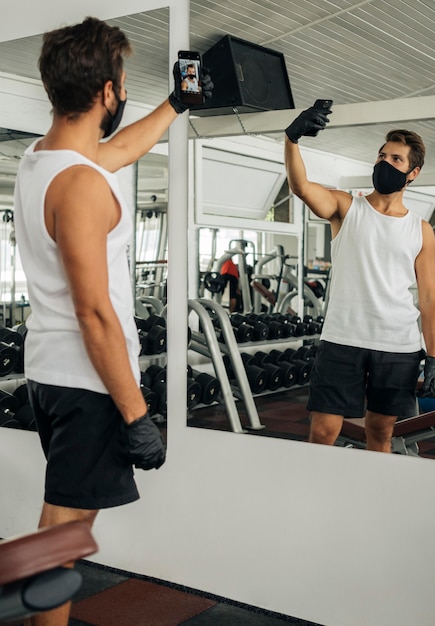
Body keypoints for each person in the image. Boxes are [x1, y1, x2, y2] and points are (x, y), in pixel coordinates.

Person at [13, 17, 212, 626]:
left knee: (60, 527)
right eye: (122, 84)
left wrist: (176, 103)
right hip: (86, 383)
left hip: (52, 376)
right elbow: (95, 314)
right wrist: (135, 413)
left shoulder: (40, 161)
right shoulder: (80, 186)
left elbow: (120, 150)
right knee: (64, 537)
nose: (124, 95)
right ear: (106, 92)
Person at [284, 102, 435, 453]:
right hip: (343, 338)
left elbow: (429, 296)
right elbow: (301, 186)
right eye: (382, 155)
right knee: (323, 432)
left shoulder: (421, 230)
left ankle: (372, 502)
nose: (384, 162)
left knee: (381, 433)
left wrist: (432, 355)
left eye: (396, 159)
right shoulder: (346, 207)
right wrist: (292, 139)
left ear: (413, 172)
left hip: (396, 345)